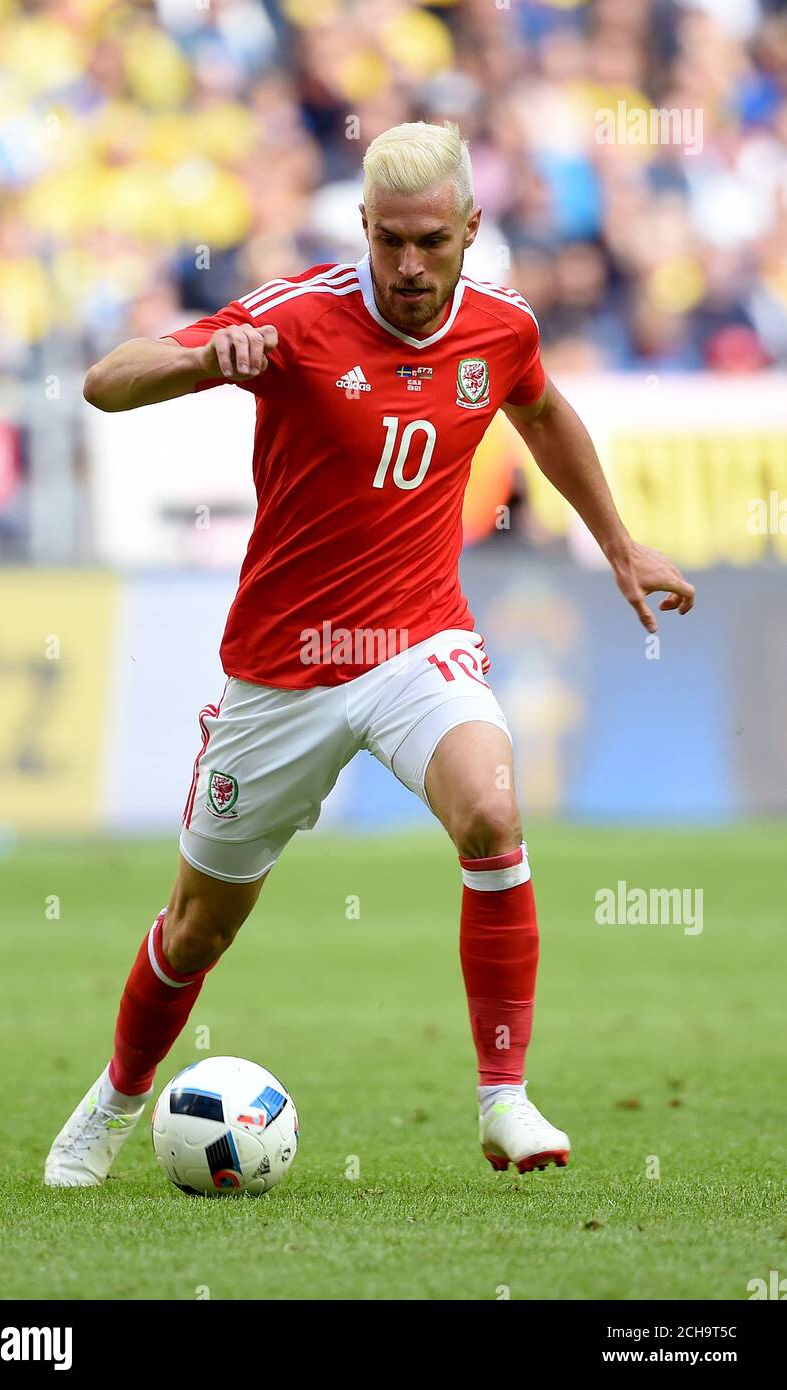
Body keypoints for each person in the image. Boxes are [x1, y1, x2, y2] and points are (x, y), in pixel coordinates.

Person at [45, 122, 695, 1187]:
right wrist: (208, 356)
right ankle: (113, 1098)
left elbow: (543, 412)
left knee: (491, 806)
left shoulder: (500, 329)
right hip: (280, 669)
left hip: (414, 643)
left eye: (429, 242)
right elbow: (106, 382)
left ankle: (503, 1098)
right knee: (198, 928)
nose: (405, 266)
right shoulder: (295, 316)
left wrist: (618, 546)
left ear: (471, 230)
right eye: (387, 241)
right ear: (361, 228)